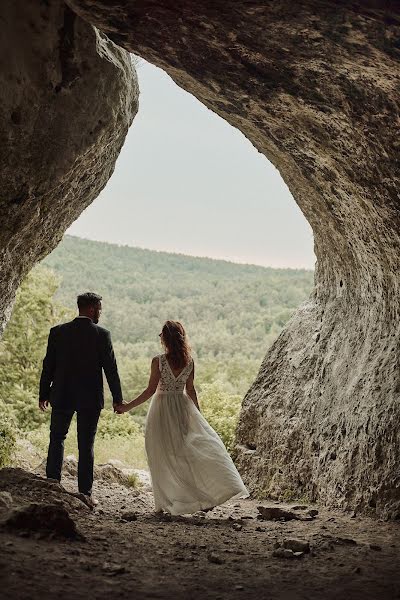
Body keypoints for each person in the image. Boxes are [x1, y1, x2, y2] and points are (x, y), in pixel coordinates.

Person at [116, 320, 248, 515]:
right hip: (182, 408)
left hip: (161, 410)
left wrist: (127, 407)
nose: (159, 338)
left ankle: (165, 503)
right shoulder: (189, 362)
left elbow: (150, 390)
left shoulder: (158, 361)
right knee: (183, 452)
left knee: (160, 453)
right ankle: (195, 496)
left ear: (165, 339)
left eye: (161, 335)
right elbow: (191, 390)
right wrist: (198, 415)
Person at [39, 292, 123, 507]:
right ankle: (85, 494)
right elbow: (111, 370)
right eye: (100, 309)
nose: (100, 313)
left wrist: (43, 394)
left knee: (56, 438)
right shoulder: (102, 335)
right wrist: (117, 399)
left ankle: (52, 486)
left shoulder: (58, 332)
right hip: (90, 398)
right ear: (93, 308)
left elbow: (48, 365)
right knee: (86, 445)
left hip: (62, 394)